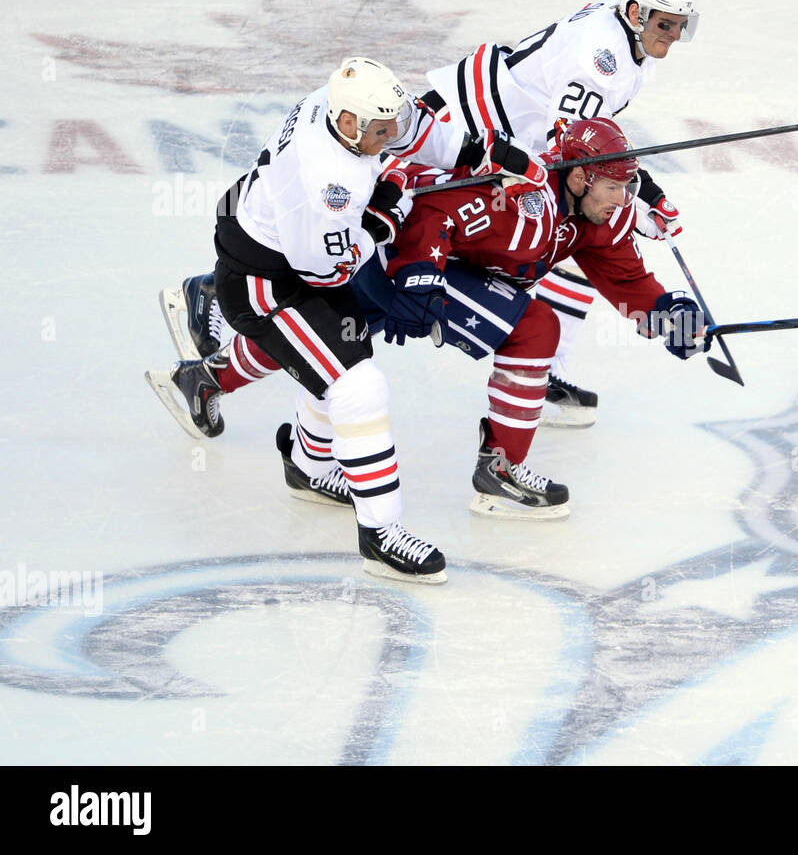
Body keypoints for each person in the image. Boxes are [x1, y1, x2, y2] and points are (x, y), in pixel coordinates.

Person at [159, 0, 701, 429]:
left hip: (500, 138)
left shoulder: (623, 38)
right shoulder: (601, 59)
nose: (675, 36)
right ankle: (212, 292)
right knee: (358, 242)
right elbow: (578, 146)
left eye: (683, 26)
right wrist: (644, 191)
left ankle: (539, 371)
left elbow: (585, 140)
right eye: (666, 23)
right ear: (634, 13)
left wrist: (636, 191)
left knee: (558, 248)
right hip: (464, 129)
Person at [146, 56, 546, 582]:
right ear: (352, 125)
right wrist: (383, 216)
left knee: (337, 357)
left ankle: (309, 466)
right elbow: (331, 271)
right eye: (380, 131)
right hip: (269, 285)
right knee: (357, 386)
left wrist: (489, 154)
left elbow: (414, 131)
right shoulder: (331, 183)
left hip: (270, 239)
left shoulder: (342, 104)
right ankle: (379, 533)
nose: (391, 137)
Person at [351, 116, 711, 520]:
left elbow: (625, 277)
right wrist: (419, 275)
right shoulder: (522, 196)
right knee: (535, 327)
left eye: (627, 187)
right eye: (613, 187)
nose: (623, 200)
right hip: (400, 260)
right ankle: (499, 472)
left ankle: (306, 462)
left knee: (320, 345)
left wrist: (668, 317)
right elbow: (434, 212)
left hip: (395, 264)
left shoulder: (595, 215)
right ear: (579, 177)